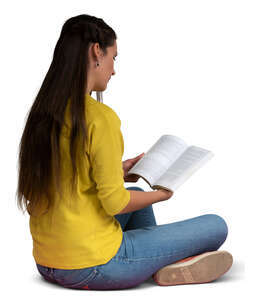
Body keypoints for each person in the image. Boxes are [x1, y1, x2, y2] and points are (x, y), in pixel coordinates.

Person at [16, 14, 233, 290]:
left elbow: (69, 172)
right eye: (113, 58)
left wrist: (118, 170)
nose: (113, 70)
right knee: (216, 225)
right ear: (97, 51)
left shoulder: (43, 113)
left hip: (48, 262)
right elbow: (115, 204)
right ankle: (158, 262)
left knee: (139, 195)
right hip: (94, 266)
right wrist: (163, 194)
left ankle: (159, 260)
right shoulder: (99, 118)